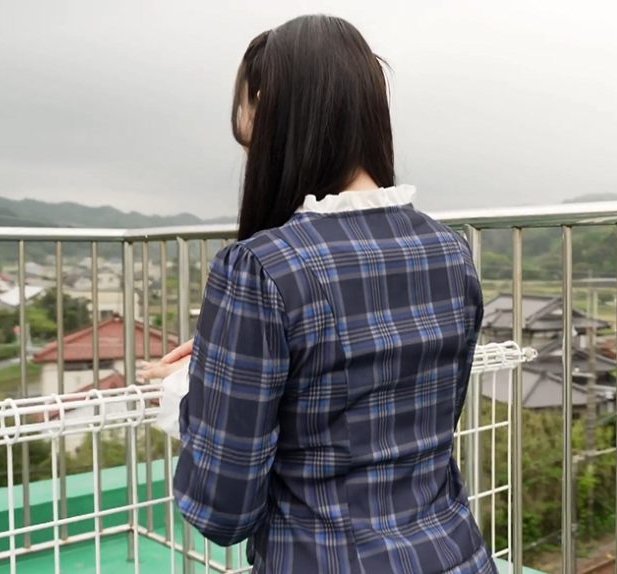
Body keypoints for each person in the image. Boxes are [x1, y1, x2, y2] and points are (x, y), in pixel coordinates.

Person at [139, 15, 490, 573]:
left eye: (246, 129)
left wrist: (192, 387)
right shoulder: (449, 251)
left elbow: (223, 511)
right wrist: (233, 361)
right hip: (459, 556)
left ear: (271, 116)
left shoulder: (260, 268)